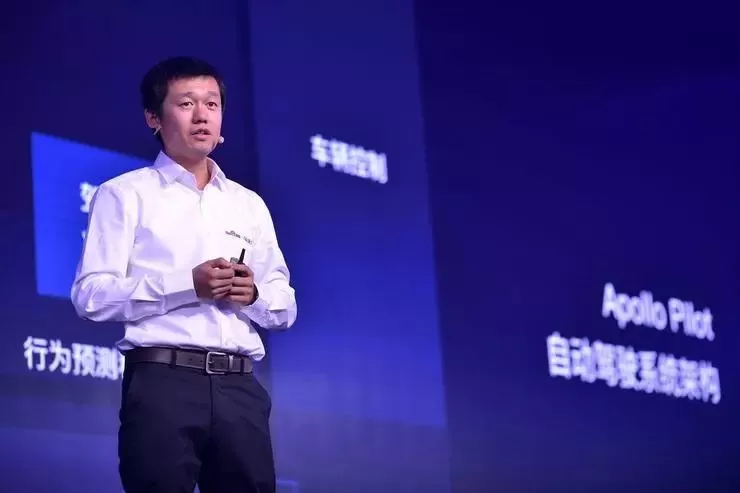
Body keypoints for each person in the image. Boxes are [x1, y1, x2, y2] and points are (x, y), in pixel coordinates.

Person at [70, 56, 297, 493]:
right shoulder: (124, 194)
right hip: (162, 383)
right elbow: (91, 296)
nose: (202, 115)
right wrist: (187, 286)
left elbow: (284, 306)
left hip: (239, 385)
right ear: (153, 118)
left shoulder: (248, 204)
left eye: (212, 104)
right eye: (187, 103)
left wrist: (252, 295)